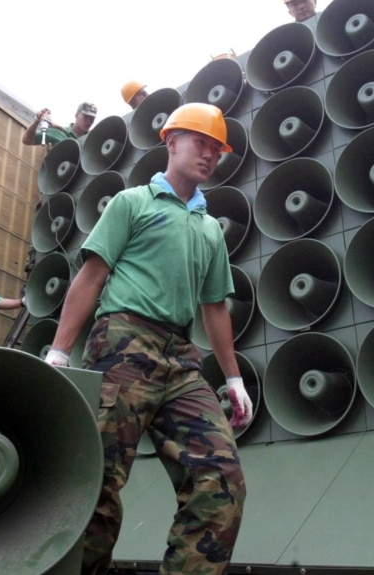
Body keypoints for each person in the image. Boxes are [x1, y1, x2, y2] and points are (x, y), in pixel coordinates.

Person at [44, 102, 252, 575]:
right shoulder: (132, 202)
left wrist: (235, 380)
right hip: (123, 342)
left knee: (221, 479)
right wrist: (59, 349)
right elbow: (91, 278)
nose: (209, 154)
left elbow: (215, 307)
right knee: (96, 481)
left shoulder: (209, 230)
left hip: (181, 359)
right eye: (200, 142)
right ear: (171, 141)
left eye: (216, 149)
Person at [21, 101, 97, 148]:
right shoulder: (59, 132)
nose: (89, 121)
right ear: (76, 115)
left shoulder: (91, 142)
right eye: (86, 116)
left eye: (92, 118)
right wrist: (36, 121)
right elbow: (27, 140)